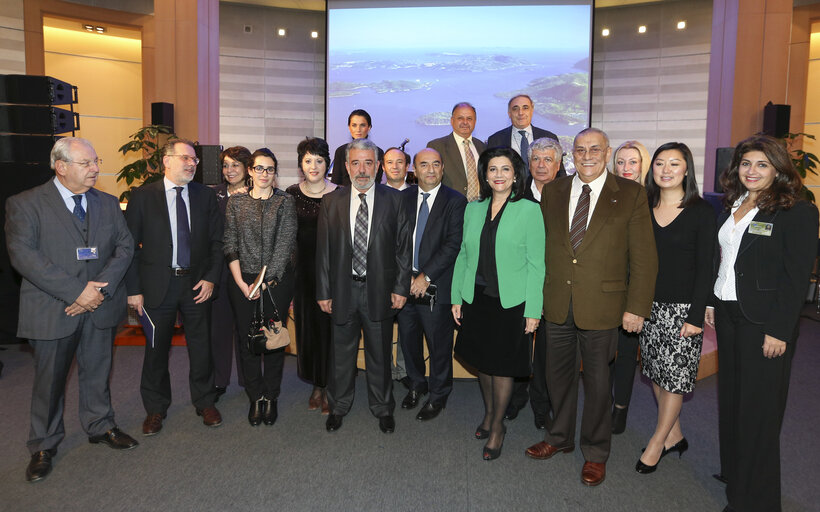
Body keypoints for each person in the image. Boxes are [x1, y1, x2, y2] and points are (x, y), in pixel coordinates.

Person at [525, 128, 657, 487]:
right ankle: (559, 437)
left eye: (594, 149)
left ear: (607, 152)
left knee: (599, 383)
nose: (587, 155)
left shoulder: (630, 194)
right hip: (557, 302)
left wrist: (637, 308)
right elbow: (544, 248)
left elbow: (644, 258)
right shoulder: (553, 191)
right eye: (580, 149)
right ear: (571, 154)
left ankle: (596, 452)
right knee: (557, 377)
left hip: (604, 305)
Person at [6, 137, 138, 482]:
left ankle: (100, 425)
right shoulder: (25, 204)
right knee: (49, 383)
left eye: (96, 161)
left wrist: (97, 291)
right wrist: (77, 292)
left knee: (98, 372)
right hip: (53, 309)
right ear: (60, 167)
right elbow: (24, 257)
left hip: (100, 306)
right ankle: (43, 445)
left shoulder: (108, 204)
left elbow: (124, 249)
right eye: (87, 163)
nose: (96, 169)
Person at [704, 135, 818, 512]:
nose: (751, 171)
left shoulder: (795, 211)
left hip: (764, 323)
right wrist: (711, 300)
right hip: (729, 312)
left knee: (759, 410)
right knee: (733, 401)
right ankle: (737, 474)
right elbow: (726, 260)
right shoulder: (732, 203)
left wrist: (779, 329)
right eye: (746, 163)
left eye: (762, 164)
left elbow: (795, 276)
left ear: (778, 168)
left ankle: (755, 501)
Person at [125, 138, 225, 435]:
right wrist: (133, 289)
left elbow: (217, 242)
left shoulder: (205, 197)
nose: (192, 163)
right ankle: (155, 409)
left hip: (197, 284)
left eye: (194, 160)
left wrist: (210, 277)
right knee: (156, 350)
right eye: (186, 158)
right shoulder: (142, 196)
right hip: (157, 287)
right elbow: (130, 248)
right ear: (167, 161)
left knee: (201, 347)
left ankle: (205, 401)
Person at [451, 146, 545, 460]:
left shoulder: (530, 210)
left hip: (512, 303)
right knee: (483, 363)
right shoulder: (474, 208)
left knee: (502, 366)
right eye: (492, 169)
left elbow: (537, 265)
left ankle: (498, 428)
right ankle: (490, 414)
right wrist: (455, 297)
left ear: (516, 174)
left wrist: (534, 310)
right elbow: (463, 255)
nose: (499, 175)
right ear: (485, 174)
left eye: (505, 169)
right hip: (477, 299)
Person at [316, 138, 411, 434]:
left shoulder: (395, 200)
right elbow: (323, 252)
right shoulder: (332, 201)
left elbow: (403, 250)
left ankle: (383, 408)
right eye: (355, 163)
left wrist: (400, 288)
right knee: (341, 355)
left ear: (378, 166)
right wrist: (324, 291)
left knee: (379, 354)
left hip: (380, 291)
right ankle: (339, 406)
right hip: (343, 291)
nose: (362, 169)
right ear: (346, 166)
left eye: (368, 163)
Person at [634, 142, 716, 473]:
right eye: (659, 164)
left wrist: (696, 316)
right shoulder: (643, 207)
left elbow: (706, 266)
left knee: (675, 380)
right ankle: (675, 435)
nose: (666, 170)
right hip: (648, 306)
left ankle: (657, 441)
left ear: (686, 170)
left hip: (683, 310)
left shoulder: (701, 211)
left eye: (674, 163)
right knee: (655, 372)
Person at [224, 148, 297, 426]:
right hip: (243, 281)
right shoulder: (236, 203)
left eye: (270, 169)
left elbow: (284, 245)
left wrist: (265, 283)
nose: (264, 174)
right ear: (250, 171)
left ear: (275, 173)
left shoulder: (285, 201)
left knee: (273, 338)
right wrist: (242, 282)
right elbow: (229, 242)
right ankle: (256, 397)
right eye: (259, 168)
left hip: (276, 282)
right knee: (247, 340)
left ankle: (272, 395)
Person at [397, 148, 467, 421]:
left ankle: (439, 394)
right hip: (404, 284)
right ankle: (416, 384)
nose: (430, 170)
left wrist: (425, 277)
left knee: (439, 346)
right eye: (424, 164)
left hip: (435, 286)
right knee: (408, 341)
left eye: (435, 164)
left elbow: (453, 244)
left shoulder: (455, 201)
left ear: (442, 168)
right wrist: (404, 279)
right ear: (414, 168)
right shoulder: (401, 198)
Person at [507, 136, 563, 428]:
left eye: (548, 160)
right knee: (519, 344)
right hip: (520, 284)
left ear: (559, 164)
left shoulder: (569, 196)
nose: (541, 166)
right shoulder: (515, 195)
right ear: (528, 164)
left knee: (547, 352)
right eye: (536, 160)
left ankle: (542, 404)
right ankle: (515, 399)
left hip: (554, 285)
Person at [285, 138, 337, 415]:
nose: (313, 166)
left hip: (333, 274)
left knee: (331, 331)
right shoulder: (291, 194)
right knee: (308, 331)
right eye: (308, 160)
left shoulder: (340, 193)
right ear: (300, 164)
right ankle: (317, 384)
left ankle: (330, 385)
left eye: (319, 160)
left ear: (327, 163)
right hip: (303, 274)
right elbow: (285, 237)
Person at [608, 139, 652, 434]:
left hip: (643, 288)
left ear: (643, 165)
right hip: (612, 287)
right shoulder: (609, 196)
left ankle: (620, 407)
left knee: (628, 352)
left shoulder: (654, 198)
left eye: (632, 162)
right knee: (609, 352)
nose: (626, 167)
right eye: (621, 162)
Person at [209, 146, 251, 400]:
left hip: (247, 272)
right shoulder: (212, 195)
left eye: (235, 165)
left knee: (246, 328)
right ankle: (218, 381)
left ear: (247, 168)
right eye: (226, 165)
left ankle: (250, 380)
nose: (230, 170)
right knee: (219, 329)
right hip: (219, 271)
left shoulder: (258, 195)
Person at [380, 147, 413, 389]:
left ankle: (403, 369)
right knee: (380, 325)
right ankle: (385, 370)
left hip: (409, 271)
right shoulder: (374, 195)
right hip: (379, 271)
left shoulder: (415, 195)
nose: (395, 166)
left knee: (406, 326)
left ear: (407, 166)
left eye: (399, 162)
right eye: (389, 162)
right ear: (382, 167)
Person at [487, 94, 566, 176]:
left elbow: (560, 173)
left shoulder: (549, 137)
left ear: (532, 111)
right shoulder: (495, 140)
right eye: (515, 109)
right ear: (509, 113)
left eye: (525, 108)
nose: (520, 113)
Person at [427, 102, 487, 202]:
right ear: (452, 121)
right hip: (449, 209)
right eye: (460, 118)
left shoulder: (482, 147)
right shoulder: (436, 146)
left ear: (475, 122)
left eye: (469, 118)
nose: (465, 122)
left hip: (480, 209)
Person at [330, 109, 384, 186]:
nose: (358, 130)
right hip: (344, 196)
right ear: (349, 127)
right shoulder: (341, 151)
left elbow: (377, 182)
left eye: (362, 125)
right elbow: (335, 182)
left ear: (369, 127)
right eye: (354, 125)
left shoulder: (378, 152)